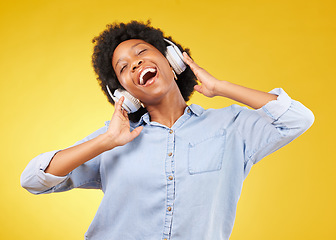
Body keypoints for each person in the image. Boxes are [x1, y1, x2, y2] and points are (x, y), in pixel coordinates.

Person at [21, 20, 314, 240]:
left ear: (171, 60)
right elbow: (33, 179)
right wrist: (107, 140)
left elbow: (297, 119)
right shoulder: (113, 140)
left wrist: (220, 87)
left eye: (142, 53)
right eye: (124, 68)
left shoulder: (231, 127)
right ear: (124, 93)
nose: (135, 64)